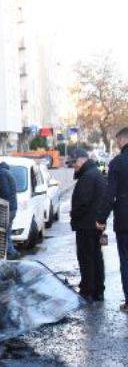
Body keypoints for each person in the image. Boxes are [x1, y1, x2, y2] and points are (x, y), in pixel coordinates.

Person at [71, 149, 108, 303]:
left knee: (87, 258)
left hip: (86, 225)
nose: (74, 167)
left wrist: (74, 217)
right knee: (96, 257)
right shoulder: (96, 173)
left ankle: (88, 291)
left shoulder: (88, 176)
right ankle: (98, 290)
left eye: (74, 163)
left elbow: (82, 203)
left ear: (81, 160)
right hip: (95, 224)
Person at [98, 127, 128, 310]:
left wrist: (101, 218)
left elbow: (110, 195)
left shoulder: (117, 163)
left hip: (125, 221)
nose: (116, 144)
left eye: (117, 141)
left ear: (123, 139)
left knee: (126, 260)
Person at [0, 160, 20, 259]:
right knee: (7, 231)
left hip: (9, 208)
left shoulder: (1, 173)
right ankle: (12, 251)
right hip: (13, 207)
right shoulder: (7, 172)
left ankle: (12, 253)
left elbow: (5, 192)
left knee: (4, 232)